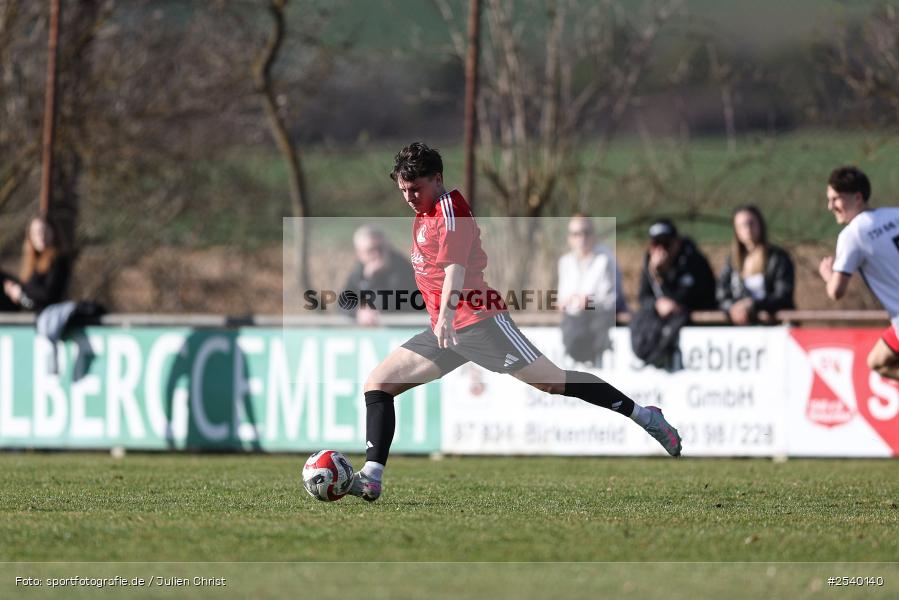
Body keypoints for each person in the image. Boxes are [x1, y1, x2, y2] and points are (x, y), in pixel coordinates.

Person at [347, 143, 682, 503]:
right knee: (378, 384)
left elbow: (455, 269)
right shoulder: (424, 215)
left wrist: (444, 315)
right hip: (446, 330)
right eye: (403, 190)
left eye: (416, 188)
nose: (410, 197)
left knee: (554, 382)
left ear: (437, 179)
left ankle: (647, 417)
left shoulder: (450, 209)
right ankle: (371, 477)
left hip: (481, 323)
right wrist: (441, 320)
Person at [819, 166, 899, 381]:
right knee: (877, 361)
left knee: (879, 363)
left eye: (836, 199)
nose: (830, 206)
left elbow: (836, 291)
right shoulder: (895, 214)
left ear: (857, 197)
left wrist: (828, 274)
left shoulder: (852, 234)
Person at [557, 214, 624, 363]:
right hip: (574, 321)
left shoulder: (606, 258)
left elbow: (613, 300)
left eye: (586, 232)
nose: (581, 238)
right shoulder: (565, 262)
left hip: (599, 318)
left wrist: (589, 302)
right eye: (576, 234)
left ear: (593, 235)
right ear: (569, 238)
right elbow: (562, 300)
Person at [717, 205, 795, 324]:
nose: (747, 228)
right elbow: (721, 294)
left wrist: (753, 305)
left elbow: (783, 295)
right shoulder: (732, 262)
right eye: (742, 225)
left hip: (775, 326)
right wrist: (733, 308)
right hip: (741, 329)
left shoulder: (777, 258)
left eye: (751, 223)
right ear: (736, 230)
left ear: (760, 225)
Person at [341, 225, 419, 326]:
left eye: (380, 248)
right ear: (360, 253)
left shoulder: (401, 267)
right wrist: (358, 312)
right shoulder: (359, 270)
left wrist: (371, 279)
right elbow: (343, 303)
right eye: (370, 250)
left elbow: (392, 303)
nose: (376, 254)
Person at [638, 219, 716, 317]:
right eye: (656, 243)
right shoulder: (649, 263)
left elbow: (682, 301)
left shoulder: (692, 261)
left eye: (666, 244)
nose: (660, 249)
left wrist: (661, 275)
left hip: (699, 322)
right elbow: (643, 297)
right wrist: (655, 304)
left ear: (677, 243)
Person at [0, 216, 71, 313]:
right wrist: (17, 293)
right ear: (30, 236)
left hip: (49, 317)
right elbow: (29, 301)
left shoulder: (58, 260)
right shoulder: (31, 263)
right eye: (36, 233)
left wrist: (21, 292)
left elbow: (47, 295)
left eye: (45, 231)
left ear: (53, 233)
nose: (41, 236)